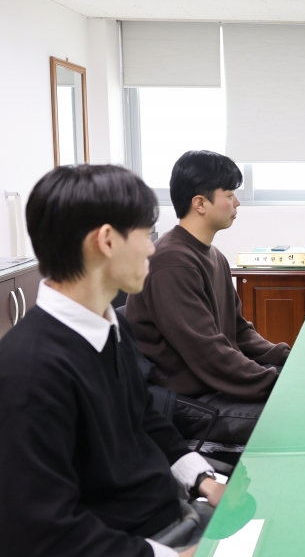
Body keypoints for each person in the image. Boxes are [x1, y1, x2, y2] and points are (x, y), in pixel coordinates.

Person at [0, 165, 226, 557]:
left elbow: (144, 416)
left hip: (173, 517)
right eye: (146, 234)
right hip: (137, 544)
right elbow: (39, 529)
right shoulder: (30, 368)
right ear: (107, 240)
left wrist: (203, 480)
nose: (152, 248)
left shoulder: (108, 325)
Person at [126, 151, 290, 446]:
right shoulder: (172, 263)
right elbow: (209, 354)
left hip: (216, 385)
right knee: (301, 414)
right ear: (200, 203)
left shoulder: (214, 255)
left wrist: (286, 359)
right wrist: (277, 382)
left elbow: (239, 332)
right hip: (191, 403)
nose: (237, 203)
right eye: (229, 194)